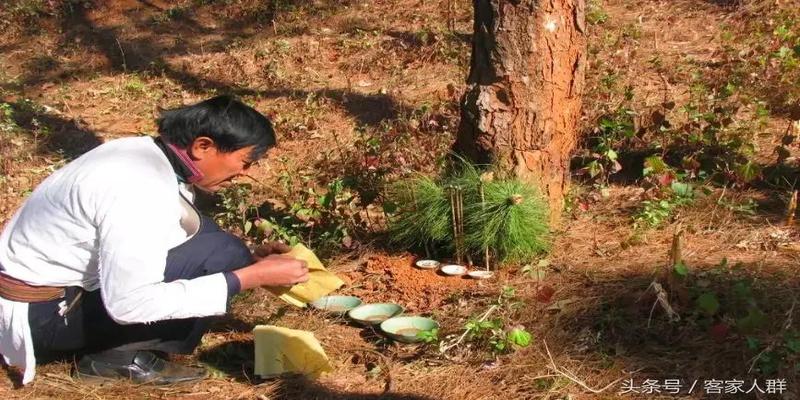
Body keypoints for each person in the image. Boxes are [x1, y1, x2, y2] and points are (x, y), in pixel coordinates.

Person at [0, 95, 309, 385]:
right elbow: (129, 304)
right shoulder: (139, 187)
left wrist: (252, 260)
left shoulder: (139, 153)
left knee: (219, 245)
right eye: (245, 161)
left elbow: (165, 234)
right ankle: (118, 358)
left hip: (51, 298)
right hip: (45, 318)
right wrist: (246, 278)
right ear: (203, 146)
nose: (244, 172)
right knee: (221, 254)